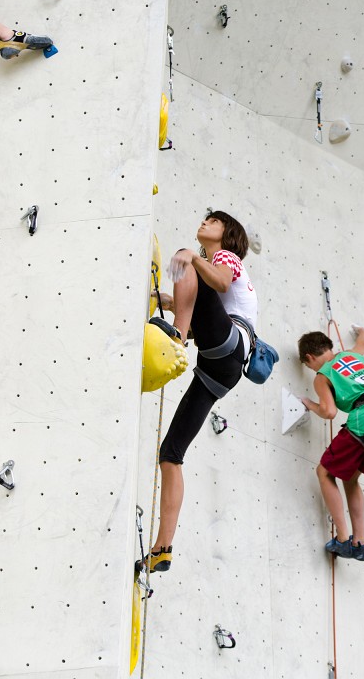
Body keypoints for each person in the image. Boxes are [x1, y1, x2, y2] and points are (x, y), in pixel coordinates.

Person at [138, 211, 257, 574]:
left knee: (194, 261)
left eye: (213, 221)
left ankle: (174, 334)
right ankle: (162, 547)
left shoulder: (224, 258)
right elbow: (198, 303)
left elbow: (219, 283)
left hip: (230, 344)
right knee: (170, 453)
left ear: (228, 233)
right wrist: (164, 298)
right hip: (220, 369)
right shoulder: (206, 268)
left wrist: (189, 255)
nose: (205, 223)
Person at [298, 327, 364, 561]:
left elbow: (328, 412)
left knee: (325, 472)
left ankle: (344, 540)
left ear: (310, 357)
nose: (312, 370)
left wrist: (309, 403)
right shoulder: (354, 354)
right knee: (351, 478)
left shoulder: (322, 376)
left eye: (309, 366)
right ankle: (359, 542)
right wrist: (361, 331)